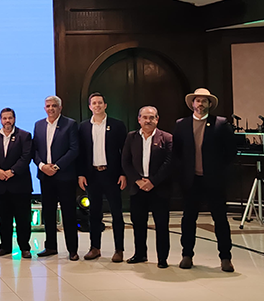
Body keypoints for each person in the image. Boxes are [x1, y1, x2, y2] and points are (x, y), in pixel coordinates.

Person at [173, 88, 236, 272]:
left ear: (210, 104)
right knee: (188, 219)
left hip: (214, 180)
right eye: (198, 100)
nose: (200, 104)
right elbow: (176, 152)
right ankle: (187, 255)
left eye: (204, 101)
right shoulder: (181, 124)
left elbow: (231, 151)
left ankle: (225, 257)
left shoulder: (221, 124)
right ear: (192, 103)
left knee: (220, 219)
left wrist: (218, 170)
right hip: (191, 181)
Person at [78, 93, 128, 262]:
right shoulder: (83, 127)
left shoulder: (117, 125)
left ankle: (119, 249)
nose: (97, 105)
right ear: (90, 106)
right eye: (94, 103)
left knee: (116, 213)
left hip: (112, 174)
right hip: (92, 175)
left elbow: (125, 151)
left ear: (105, 105)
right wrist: (81, 174)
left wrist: (123, 173)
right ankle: (95, 247)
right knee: (94, 213)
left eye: (100, 103)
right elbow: (81, 153)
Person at [122, 106, 173, 268]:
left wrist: (153, 182)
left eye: (151, 118)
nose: (148, 121)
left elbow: (169, 163)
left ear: (157, 119)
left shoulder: (167, 138)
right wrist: (138, 180)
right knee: (138, 223)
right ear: (139, 119)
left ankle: (162, 258)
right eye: (144, 117)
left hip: (159, 188)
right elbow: (125, 162)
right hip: (138, 188)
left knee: (161, 224)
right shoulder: (131, 137)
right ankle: (140, 254)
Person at [33, 95, 80, 260]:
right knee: (48, 213)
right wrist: (42, 166)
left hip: (65, 176)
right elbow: (35, 150)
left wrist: (57, 166)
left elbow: (74, 149)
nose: (51, 109)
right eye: (48, 106)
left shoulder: (70, 124)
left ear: (60, 108)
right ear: (44, 108)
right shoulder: (39, 125)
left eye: (54, 106)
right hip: (45, 176)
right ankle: (50, 246)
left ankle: (72, 249)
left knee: (68, 213)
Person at [0, 107, 33, 259]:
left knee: (23, 218)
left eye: (10, 118)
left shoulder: (24, 136)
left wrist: (12, 171)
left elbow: (26, 157)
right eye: (4, 118)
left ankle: (24, 247)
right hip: (0, 184)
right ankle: (5, 247)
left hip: (20, 185)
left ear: (14, 119)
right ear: (0, 120)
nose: (7, 121)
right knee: (3, 219)